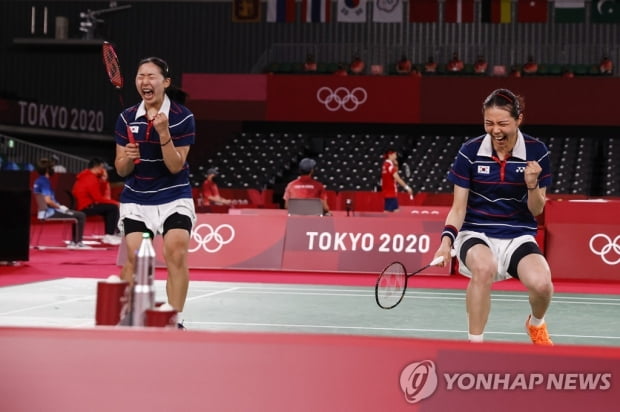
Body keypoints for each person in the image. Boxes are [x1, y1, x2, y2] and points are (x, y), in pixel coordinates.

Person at [433, 88, 554, 346]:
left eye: (502, 123)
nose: (495, 130)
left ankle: (536, 324)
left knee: (542, 285)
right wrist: (446, 243)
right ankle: (475, 347)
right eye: (489, 123)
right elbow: (458, 207)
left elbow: (536, 210)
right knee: (483, 268)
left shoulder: (537, 151)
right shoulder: (470, 151)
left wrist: (532, 185)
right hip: (476, 231)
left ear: (519, 119)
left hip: (517, 234)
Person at [114, 56, 196, 329]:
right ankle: (127, 315)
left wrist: (164, 133)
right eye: (140, 76)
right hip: (137, 198)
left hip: (174, 196)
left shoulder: (182, 117)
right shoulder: (126, 118)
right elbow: (122, 170)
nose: (144, 82)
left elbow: (175, 166)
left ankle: (175, 318)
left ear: (166, 82)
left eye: (151, 76)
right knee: (137, 261)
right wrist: (127, 155)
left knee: (176, 251)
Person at [33, 157, 87, 249]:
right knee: (80, 215)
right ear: (47, 170)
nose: (53, 170)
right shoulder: (44, 181)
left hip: (43, 212)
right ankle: (78, 242)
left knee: (75, 214)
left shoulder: (38, 180)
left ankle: (74, 241)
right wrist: (60, 207)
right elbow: (48, 201)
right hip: (50, 213)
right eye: (51, 168)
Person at [72, 158, 122, 246]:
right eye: (102, 168)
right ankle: (109, 235)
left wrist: (103, 180)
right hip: (86, 206)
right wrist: (116, 203)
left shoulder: (86, 176)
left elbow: (100, 195)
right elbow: (98, 198)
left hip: (84, 204)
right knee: (113, 208)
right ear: (98, 167)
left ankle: (110, 234)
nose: (103, 170)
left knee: (110, 208)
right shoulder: (90, 178)